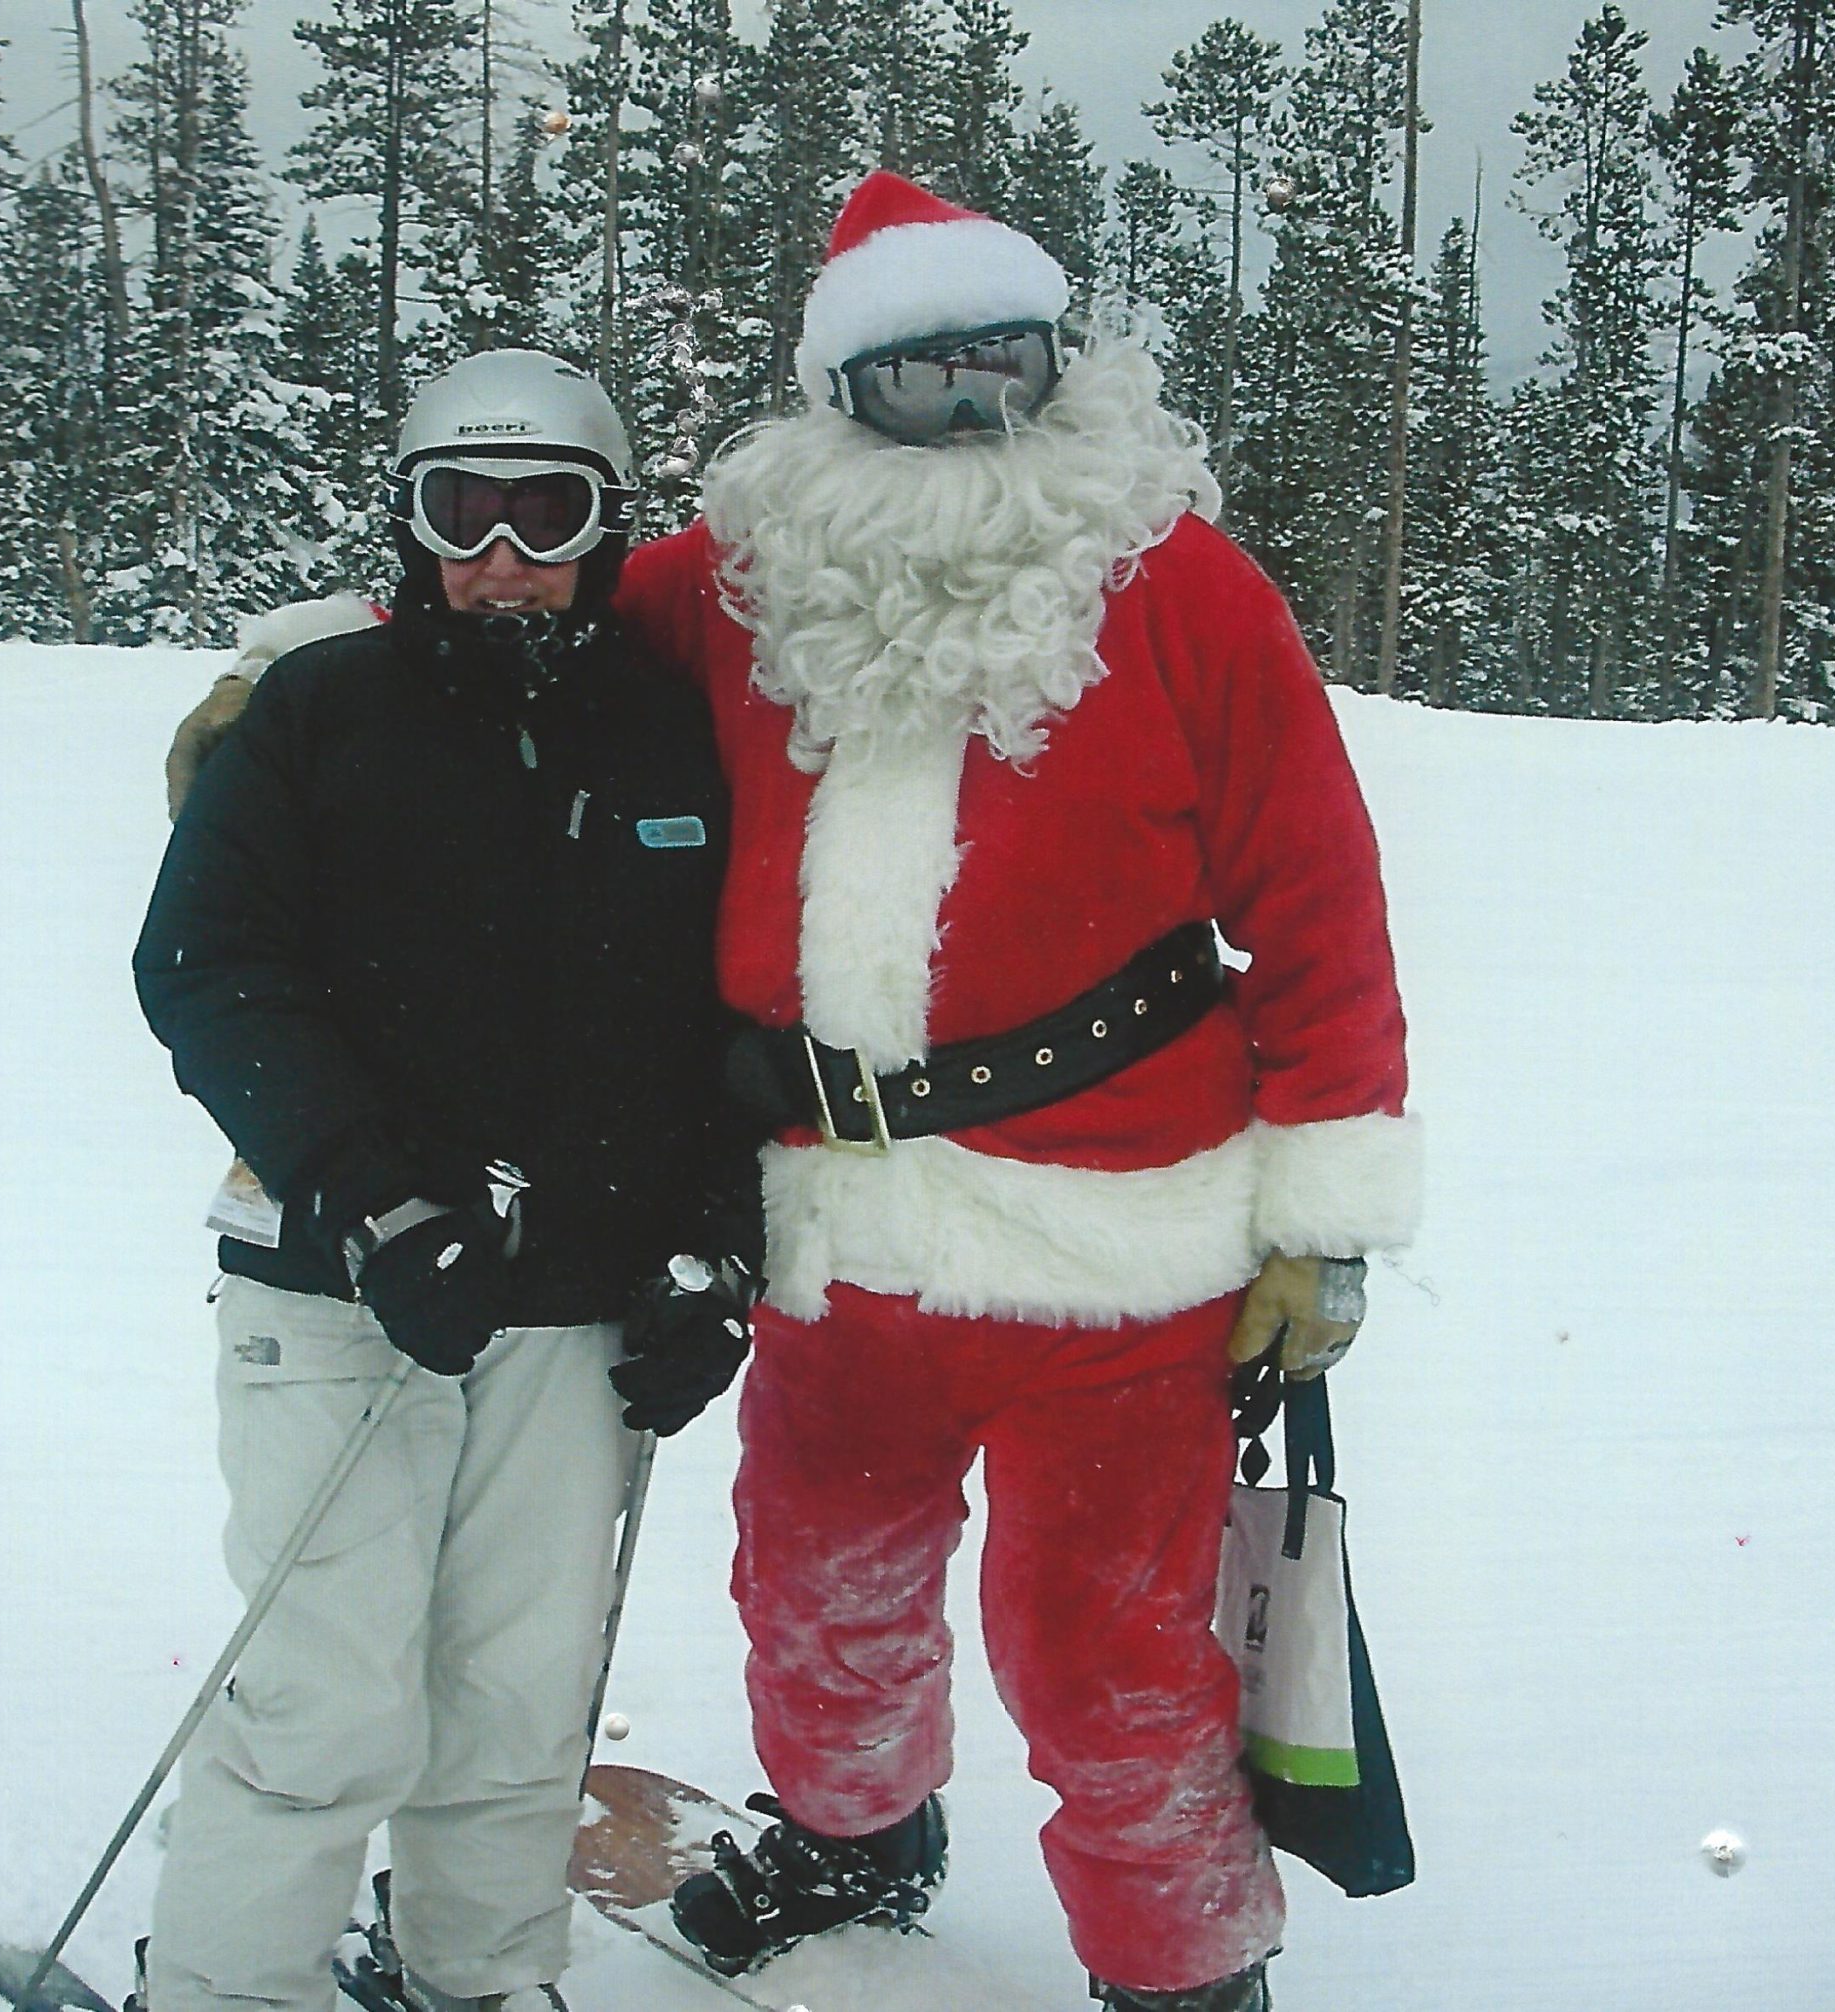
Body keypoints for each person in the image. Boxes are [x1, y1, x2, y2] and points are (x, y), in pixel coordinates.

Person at [169, 173, 1420, 2012]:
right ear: (840, 398)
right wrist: (279, 682)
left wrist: (1324, 1220)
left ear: (1061, 369)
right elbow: (506, 602)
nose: (967, 419)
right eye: (915, 384)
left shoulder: (1183, 592)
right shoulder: (751, 581)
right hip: (827, 1217)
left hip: (1118, 1235)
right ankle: (853, 1834)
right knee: (821, 1583)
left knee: (1111, 1647)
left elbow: (1316, 895)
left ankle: (1177, 1966)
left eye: (1004, 368)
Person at [132, 348, 762, 2012]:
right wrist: (381, 1201)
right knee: (330, 1702)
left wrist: (714, 1247)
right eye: (457, 511)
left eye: (541, 514)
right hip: (339, 1286)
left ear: (603, 531)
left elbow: (730, 1013)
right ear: (408, 527)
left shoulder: (662, 730)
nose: (499, 554)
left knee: (516, 1703)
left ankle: (472, 1980)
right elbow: (206, 969)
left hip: (571, 1310)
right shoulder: (320, 714)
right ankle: (225, 1988)